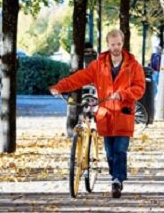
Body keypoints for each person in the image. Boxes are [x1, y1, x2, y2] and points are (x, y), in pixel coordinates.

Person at [50, 28, 145, 199]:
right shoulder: (99, 65)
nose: (116, 47)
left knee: (120, 150)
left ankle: (117, 180)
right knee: (110, 152)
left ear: (122, 43)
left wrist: (123, 94)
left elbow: (140, 88)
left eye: (118, 44)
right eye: (113, 44)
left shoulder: (133, 65)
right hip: (106, 116)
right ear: (108, 45)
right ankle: (115, 176)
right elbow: (79, 78)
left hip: (123, 115)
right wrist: (60, 87)